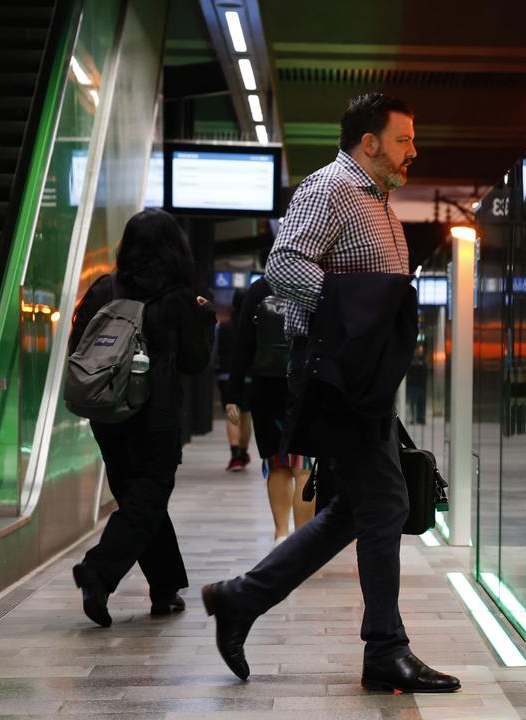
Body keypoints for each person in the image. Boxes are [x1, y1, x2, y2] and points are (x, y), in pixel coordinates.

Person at [200, 93, 460, 694]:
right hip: (336, 373)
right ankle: (385, 650)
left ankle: (241, 599)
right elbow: (284, 266)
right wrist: (352, 317)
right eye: (403, 139)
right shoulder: (331, 188)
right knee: (389, 501)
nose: (412, 150)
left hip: (362, 375)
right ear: (369, 142)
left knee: (357, 508)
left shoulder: (379, 202)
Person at [67, 209, 215, 628]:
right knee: (145, 502)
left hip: (108, 413)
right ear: (175, 249)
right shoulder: (177, 298)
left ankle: (165, 588)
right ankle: (97, 573)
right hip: (156, 418)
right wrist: (204, 319)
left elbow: (81, 346)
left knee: (140, 501)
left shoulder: (103, 289)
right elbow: (194, 361)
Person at [223, 275, 314, 545]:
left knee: (277, 465)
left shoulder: (259, 289)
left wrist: (233, 394)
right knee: (304, 467)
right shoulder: (315, 283)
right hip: (306, 387)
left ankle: (280, 535)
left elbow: (244, 346)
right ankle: (302, 544)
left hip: (266, 388)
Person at [217, 290, 253, 471]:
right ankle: (244, 452)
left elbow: (216, 352)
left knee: (231, 413)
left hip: (226, 376)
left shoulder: (224, 327)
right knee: (246, 414)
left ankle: (235, 455)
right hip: (249, 376)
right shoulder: (254, 325)